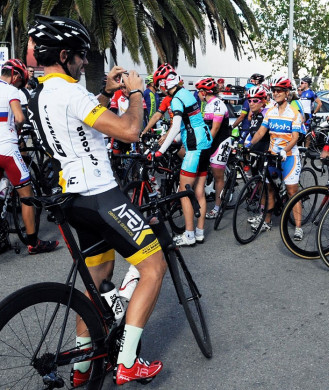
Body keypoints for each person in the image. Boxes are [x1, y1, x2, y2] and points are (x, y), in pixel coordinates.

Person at [28, 14, 164, 385]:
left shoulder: (44, 92)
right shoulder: (71, 93)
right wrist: (135, 91)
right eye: (82, 55)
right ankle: (128, 363)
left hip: (72, 199)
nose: (85, 61)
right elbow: (130, 130)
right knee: (153, 267)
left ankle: (81, 368)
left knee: (96, 282)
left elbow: (81, 119)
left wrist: (105, 90)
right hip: (100, 195)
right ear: (65, 53)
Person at [0, 58, 59, 254]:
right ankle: (34, 243)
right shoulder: (10, 90)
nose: (18, 84)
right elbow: (19, 117)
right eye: (19, 81)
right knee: (27, 196)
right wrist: (16, 129)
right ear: (15, 75)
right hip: (7, 149)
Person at [152, 64, 213, 246]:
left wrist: (159, 151)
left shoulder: (176, 99)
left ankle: (189, 235)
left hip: (195, 148)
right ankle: (200, 232)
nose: (159, 89)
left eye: (159, 85)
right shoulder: (187, 93)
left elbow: (177, 125)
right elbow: (188, 123)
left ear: (163, 84)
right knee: (199, 191)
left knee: (183, 192)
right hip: (205, 143)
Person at [249, 77, 303, 239]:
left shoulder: (294, 113)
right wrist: (247, 145)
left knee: (292, 191)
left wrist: (284, 150)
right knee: (269, 189)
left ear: (287, 93)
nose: (276, 93)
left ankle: (298, 227)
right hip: (273, 156)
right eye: (274, 90)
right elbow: (261, 132)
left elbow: (295, 138)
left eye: (279, 90)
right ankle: (267, 220)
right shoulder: (270, 111)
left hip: (289, 157)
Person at [195, 78, 233, 220]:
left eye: (199, 91)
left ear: (204, 92)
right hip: (212, 142)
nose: (197, 94)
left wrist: (204, 146)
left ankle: (217, 207)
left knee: (218, 177)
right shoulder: (208, 105)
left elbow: (215, 129)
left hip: (220, 142)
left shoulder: (218, 104)